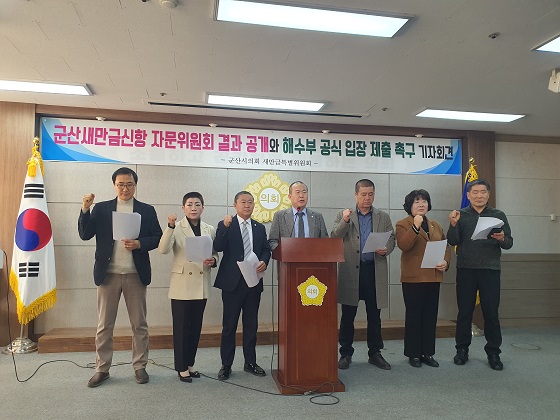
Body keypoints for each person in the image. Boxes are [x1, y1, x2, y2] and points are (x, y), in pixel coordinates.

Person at [78, 167, 162, 387]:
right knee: (104, 325)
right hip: (108, 274)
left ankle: (140, 366)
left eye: (129, 184)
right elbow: (85, 234)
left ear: (135, 185)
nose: (125, 189)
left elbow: (158, 237)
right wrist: (85, 209)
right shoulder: (101, 208)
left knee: (139, 324)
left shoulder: (147, 210)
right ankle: (102, 369)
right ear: (114, 185)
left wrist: (140, 243)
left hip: (135, 274)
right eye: (121, 185)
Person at [447, 179, 513, 371]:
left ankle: (493, 352)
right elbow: (452, 241)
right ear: (468, 195)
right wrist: (453, 224)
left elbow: (509, 243)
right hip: (466, 269)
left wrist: (502, 238)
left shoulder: (498, 215)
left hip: (490, 269)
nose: (479, 196)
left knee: (491, 313)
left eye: (483, 192)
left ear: (488, 194)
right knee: (464, 312)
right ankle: (462, 350)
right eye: (475, 192)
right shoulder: (460, 215)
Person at [331, 179, 395, 370]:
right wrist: (345, 221)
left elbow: (391, 237)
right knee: (348, 315)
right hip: (351, 271)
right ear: (356, 195)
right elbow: (335, 236)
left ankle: (375, 353)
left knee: (374, 315)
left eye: (371, 194)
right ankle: (345, 353)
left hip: (374, 270)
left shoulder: (383, 216)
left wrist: (386, 249)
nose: (367, 198)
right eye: (363, 194)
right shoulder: (345, 215)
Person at [158, 192, 218, 383]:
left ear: (203, 208)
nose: (193, 208)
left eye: (197, 204)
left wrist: (213, 260)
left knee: (195, 328)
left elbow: (215, 253)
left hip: (201, 284)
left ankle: (190, 364)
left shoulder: (209, 229)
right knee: (182, 328)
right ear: (183, 208)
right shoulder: (176, 227)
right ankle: (181, 367)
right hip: (182, 284)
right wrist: (169, 227)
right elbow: (163, 249)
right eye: (190, 204)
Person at [213, 191, 271, 380]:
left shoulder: (259, 227)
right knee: (229, 326)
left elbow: (266, 249)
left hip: (253, 282)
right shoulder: (226, 224)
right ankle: (226, 365)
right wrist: (224, 227)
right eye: (243, 202)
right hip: (232, 283)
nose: (247, 205)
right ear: (235, 205)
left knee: (251, 325)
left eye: (250, 202)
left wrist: (264, 261)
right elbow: (218, 246)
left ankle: (250, 362)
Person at [396, 189, 451, 368]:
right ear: (409, 205)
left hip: (433, 277)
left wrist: (446, 262)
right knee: (414, 316)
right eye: (417, 201)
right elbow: (403, 245)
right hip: (413, 278)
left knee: (430, 316)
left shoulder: (436, 224)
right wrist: (415, 227)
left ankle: (428, 352)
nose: (421, 204)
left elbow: (446, 246)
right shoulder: (402, 224)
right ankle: (413, 354)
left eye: (424, 201)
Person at [268, 181, 329, 251]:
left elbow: (325, 241)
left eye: (304, 192)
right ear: (290, 197)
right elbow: (273, 241)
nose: (301, 195)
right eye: (297, 192)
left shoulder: (317, 216)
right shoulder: (280, 216)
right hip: (288, 256)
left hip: (312, 256)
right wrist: (282, 252)